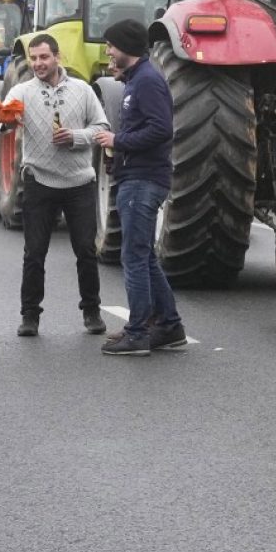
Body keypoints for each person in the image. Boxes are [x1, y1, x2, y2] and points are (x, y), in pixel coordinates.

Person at [0, 33, 110, 337]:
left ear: (57, 57)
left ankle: (92, 311)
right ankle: (30, 316)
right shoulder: (22, 90)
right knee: (34, 253)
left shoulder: (83, 90)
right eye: (33, 58)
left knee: (86, 251)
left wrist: (75, 137)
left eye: (43, 57)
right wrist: (6, 119)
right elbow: (1, 119)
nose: (37, 64)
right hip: (39, 182)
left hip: (79, 183)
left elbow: (102, 128)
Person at [95, 19, 186, 356]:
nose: (108, 51)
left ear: (127, 48)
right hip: (138, 176)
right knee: (143, 255)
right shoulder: (138, 79)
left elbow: (161, 130)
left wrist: (118, 140)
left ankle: (138, 332)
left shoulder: (147, 81)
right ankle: (169, 325)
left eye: (111, 46)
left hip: (144, 180)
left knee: (133, 256)